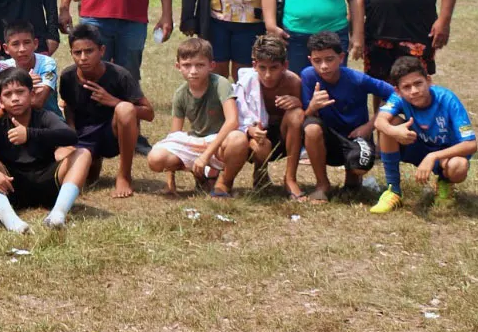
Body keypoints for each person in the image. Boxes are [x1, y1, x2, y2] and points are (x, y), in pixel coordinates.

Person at [0, 67, 88, 231]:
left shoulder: (44, 116)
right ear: (0, 102)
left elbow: (71, 137)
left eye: (20, 92)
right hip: (10, 186)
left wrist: (29, 134)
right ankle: (9, 218)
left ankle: (58, 214)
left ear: (31, 95)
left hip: (48, 181)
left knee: (83, 153)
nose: (15, 98)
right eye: (8, 94)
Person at [57, 23, 155, 198]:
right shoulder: (67, 77)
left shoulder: (120, 75)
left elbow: (149, 113)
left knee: (125, 109)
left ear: (102, 51)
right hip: (83, 136)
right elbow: (69, 107)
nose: (83, 57)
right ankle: (93, 161)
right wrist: (70, 132)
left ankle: (124, 175)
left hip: (112, 134)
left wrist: (114, 101)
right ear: (71, 53)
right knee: (68, 180)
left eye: (89, 51)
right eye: (77, 53)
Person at [292, 32, 391, 203]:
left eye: (329, 59)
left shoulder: (357, 79)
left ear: (341, 57)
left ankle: (352, 182)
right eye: (317, 61)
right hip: (328, 139)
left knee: (359, 167)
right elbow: (305, 117)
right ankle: (322, 185)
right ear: (310, 60)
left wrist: (370, 125)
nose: (323, 66)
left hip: (355, 137)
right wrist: (312, 107)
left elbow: (394, 95)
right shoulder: (308, 76)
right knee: (311, 128)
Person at [369, 57, 476, 214]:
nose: (414, 91)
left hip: (445, 156)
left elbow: (471, 144)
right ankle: (393, 191)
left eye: (418, 83)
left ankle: (445, 182)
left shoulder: (447, 99)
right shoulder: (398, 98)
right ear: (398, 91)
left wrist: (432, 157)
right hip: (416, 146)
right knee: (390, 125)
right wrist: (395, 131)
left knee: (458, 166)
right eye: (406, 87)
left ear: (428, 81)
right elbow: (379, 121)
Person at [146, 37, 246, 198]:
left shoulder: (220, 84)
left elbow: (232, 121)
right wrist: (170, 182)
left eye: (200, 65)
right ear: (178, 67)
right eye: (187, 65)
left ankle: (224, 182)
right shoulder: (180, 93)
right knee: (155, 158)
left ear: (211, 66)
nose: (193, 71)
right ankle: (199, 173)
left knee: (238, 139)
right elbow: (174, 136)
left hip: (219, 141)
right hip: (196, 141)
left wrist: (206, 156)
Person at [238, 33, 302, 192]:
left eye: (274, 68)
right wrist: (250, 130)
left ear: (284, 65)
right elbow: (237, 116)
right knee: (259, 145)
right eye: (262, 68)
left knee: (296, 114)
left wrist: (299, 103)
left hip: (283, 137)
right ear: (254, 65)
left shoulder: (293, 82)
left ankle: (290, 178)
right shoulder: (245, 83)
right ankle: (259, 174)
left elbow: (309, 118)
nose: (268, 75)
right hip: (252, 136)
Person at [1, 20, 60, 117]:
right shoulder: (4, 67)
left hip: (49, 120)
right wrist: (25, 81)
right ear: (6, 48)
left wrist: (17, 86)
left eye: (27, 42)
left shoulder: (47, 63)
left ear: (35, 44)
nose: (22, 49)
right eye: (15, 44)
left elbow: (38, 102)